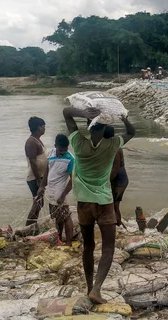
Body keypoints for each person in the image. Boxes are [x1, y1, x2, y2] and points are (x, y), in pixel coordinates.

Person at [62, 106, 135, 304]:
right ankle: (96, 288)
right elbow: (131, 132)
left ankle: (88, 286)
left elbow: (66, 112)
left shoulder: (77, 143)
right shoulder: (112, 145)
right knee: (108, 248)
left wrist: (84, 113)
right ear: (104, 128)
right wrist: (124, 118)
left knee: (88, 246)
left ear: (88, 127)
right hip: (104, 201)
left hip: (84, 203)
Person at [38, 134, 75, 245]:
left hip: (61, 193)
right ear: (55, 146)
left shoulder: (70, 159)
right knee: (56, 218)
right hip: (51, 192)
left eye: (65, 150)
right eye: (60, 149)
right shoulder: (51, 154)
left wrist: (63, 195)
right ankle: (59, 238)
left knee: (66, 217)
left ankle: (69, 242)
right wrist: (41, 186)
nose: (63, 152)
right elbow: (47, 172)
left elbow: (73, 180)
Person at [25, 116, 47, 226]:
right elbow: (33, 162)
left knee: (39, 203)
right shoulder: (31, 142)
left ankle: (32, 226)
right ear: (39, 127)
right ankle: (29, 226)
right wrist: (39, 180)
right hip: (34, 177)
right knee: (38, 203)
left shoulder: (37, 140)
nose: (45, 128)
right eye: (44, 126)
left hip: (39, 176)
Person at [105, 126, 128, 226]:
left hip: (119, 180)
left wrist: (106, 181)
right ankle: (119, 225)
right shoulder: (114, 145)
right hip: (121, 179)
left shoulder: (114, 148)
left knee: (112, 205)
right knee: (115, 205)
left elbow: (115, 168)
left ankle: (118, 225)